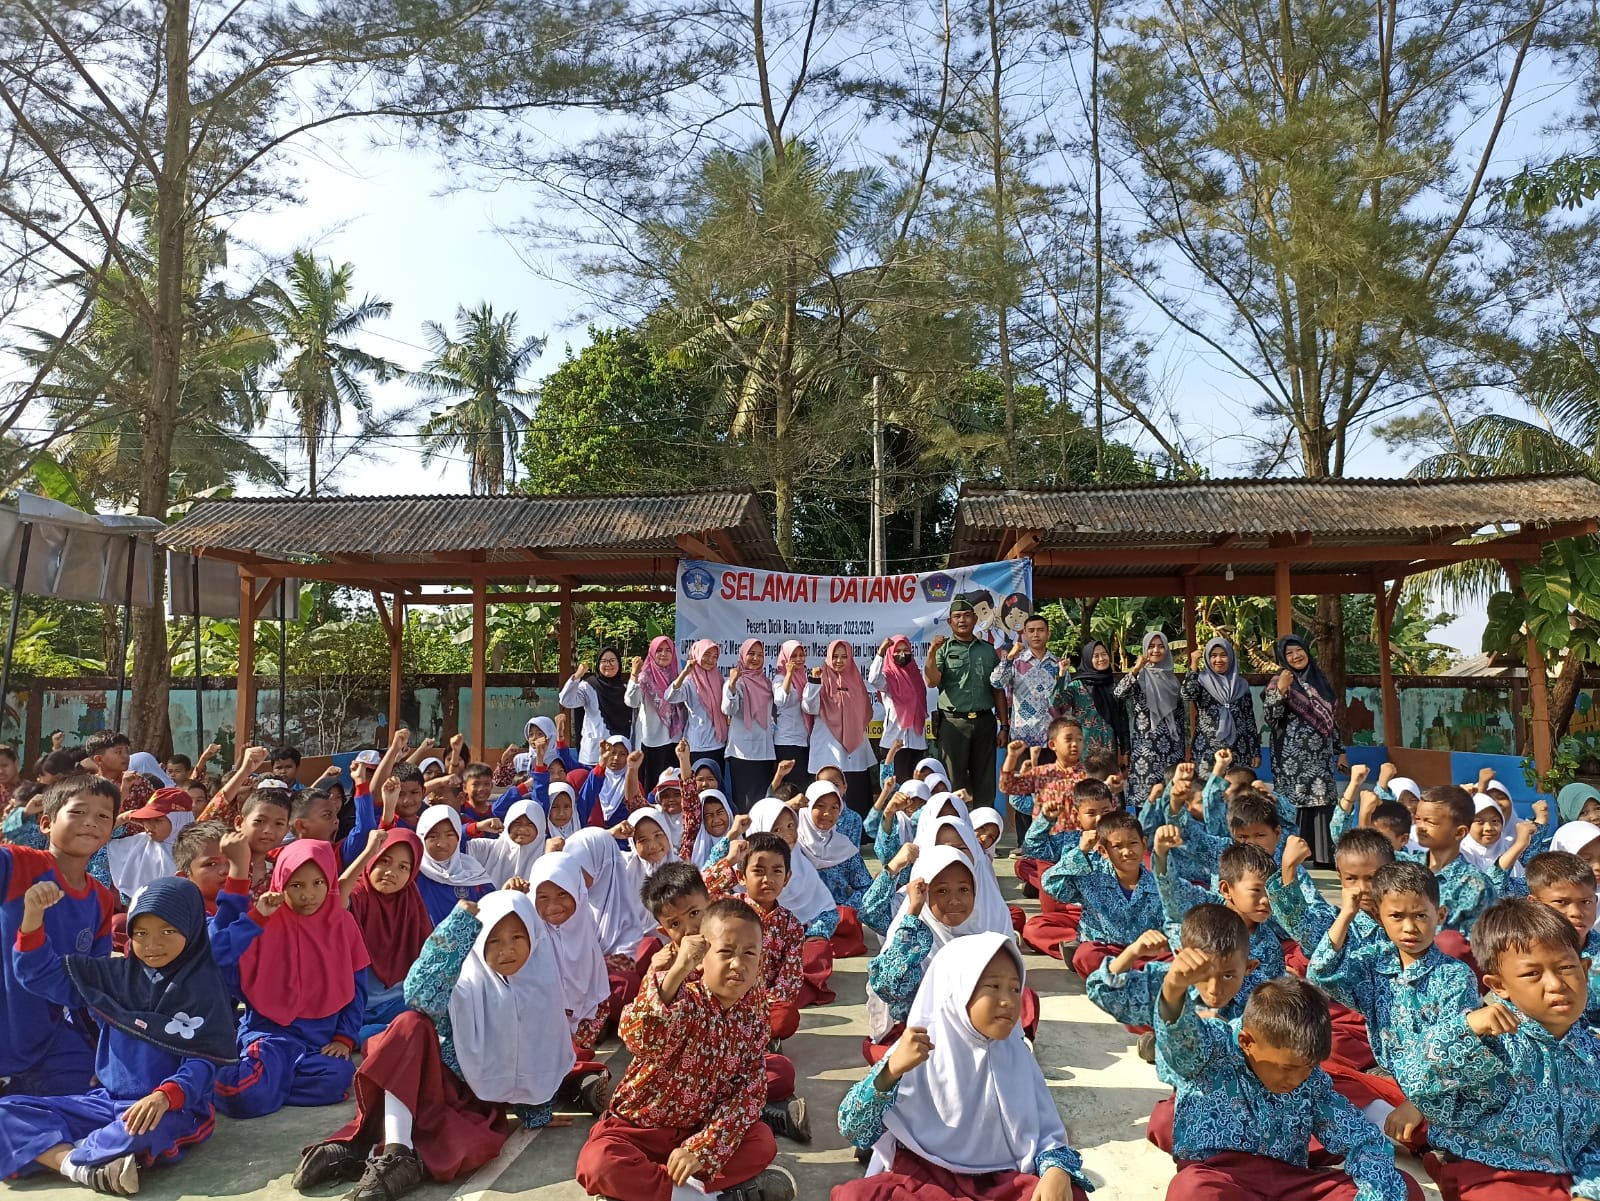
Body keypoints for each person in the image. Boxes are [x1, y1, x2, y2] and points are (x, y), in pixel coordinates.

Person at [293, 890, 574, 1201]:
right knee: (409, 1024)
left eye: (517, 937)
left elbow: (540, 1051)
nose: (507, 950)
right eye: (493, 940)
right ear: (478, 941)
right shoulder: (463, 984)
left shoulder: (542, 985)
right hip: (427, 1085)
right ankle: (395, 1151)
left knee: (477, 1144)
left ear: (533, 936)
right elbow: (419, 994)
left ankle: (376, 1153)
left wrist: (537, 1109)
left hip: (468, 1101)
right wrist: (458, 925)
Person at [1, 877, 236, 1194]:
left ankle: (59, 1153)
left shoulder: (204, 987)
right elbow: (39, 974)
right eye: (141, 933)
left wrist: (164, 1096)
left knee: (137, 1133)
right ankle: (81, 1166)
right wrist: (32, 916)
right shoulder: (115, 976)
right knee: (6, 1112)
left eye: (168, 931)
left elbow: (204, 1063)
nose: (152, 944)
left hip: (172, 1109)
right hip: (106, 1102)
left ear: (192, 930)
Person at [837, 933, 1093, 1201]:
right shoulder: (916, 1050)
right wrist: (890, 1071)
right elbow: (853, 1129)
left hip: (999, 1181)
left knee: (1070, 1195)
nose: (1007, 1000)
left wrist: (1056, 1171)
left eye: (1015, 989)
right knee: (858, 1195)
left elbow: (1047, 1136)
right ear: (957, 990)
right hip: (923, 1178)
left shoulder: (1017, 1056)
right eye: (993, 987)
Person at [573, 898, 798, 1201]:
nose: (738, 964)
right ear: (702, 957)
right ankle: (709, 1196)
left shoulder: (753, 1017)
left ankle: (656, 1192)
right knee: (599, 1162)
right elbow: (636, 1035)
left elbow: (748, 1092)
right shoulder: (682, 1000)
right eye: (726, 952)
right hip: (639, 1132)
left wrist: (703, 1148)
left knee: (761, 1140)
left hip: (696, 1132)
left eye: (749, 954)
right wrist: (678, 970)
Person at [1158, 975, 1424, 1201]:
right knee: (1193, 1189)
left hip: (1288, 1182)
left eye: (1307, 1068)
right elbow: (1178, 1037)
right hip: (1223, 1177)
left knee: (1402, 1187)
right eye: (1286, 1069)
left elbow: (1360, 1137)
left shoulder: (1311, 1080)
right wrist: (1172, 990)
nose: (1296, 1079)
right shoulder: (1213, 1050)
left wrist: (1373, 1193)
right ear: (1247, 1042)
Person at [1410, 898, 1600, 1201]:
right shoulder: (1491, 1040)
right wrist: (1465, 1030)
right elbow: (1419, 1081)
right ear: (1499, 986)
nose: (1555, 984)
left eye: (1566, 967)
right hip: (1496, 1168)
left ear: (1585, 968)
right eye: (1532, 974)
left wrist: (1590, 1191)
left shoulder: (1592, 1053)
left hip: (1571, 1171)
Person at [1307, 860, 1478, 1144]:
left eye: (1421, 915)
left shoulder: (1455, 976)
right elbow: (1320, 975)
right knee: (1323, 1076)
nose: (1409, 927)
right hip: (1390, 1079)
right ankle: (1389, 1126)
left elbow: (1458, 1051)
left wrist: (1418, 1104)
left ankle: (1402, 1130)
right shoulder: (1374, 962)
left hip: (1439, 1089)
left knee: (1450, 1122)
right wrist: (1346, 915)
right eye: (1396, 916)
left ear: (1441, 915)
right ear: (1379, 917)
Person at [210, 841, 370, 1119]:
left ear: (330, 881)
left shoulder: (343, 924)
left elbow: (358, 987)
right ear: (281, 882)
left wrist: (344, 1038)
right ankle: (221, 1078)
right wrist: (256, 918)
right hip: (270, 1037)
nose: (308, 894)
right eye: (296, 885)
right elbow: (218, 956)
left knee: (338, 1078)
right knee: (244, 1098)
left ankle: (270, 1084)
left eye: (318, 882)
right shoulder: (265, 921)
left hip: (318, 1045)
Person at [0, 777, 118, 1098]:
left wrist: (106, 1051)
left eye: (103, 816)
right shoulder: (16, 863)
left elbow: (91, 983)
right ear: (46, 824)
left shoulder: (101, 899)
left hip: (44, 1039)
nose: (91, 822)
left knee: (108, 1091)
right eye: (78, 812)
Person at [526, 852, 614, 1114]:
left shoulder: (583, 929)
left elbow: (597, 995)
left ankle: (576, 1080)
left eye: (563, 894)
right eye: (543, 897)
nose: (553, 905)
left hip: (583, 1023)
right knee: (541, 1048)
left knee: (565, 1049)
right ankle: (582, 1081)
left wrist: (571, 1021)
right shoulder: (528, 935)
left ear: (577, 892)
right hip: (538, 1023)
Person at [1041, 810, 1167, 979]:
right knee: (1085, 955)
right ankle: (1130, 975)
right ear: (1103, 851)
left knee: (1177, 957)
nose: (1127, 851)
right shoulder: (1092, 877)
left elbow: (1171, 922)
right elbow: (1050, 884)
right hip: (1105, 950)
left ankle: (1124, 975)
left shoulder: (1159, 885)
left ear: (1144, 844)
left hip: (1143, 953)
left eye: (1133, 843)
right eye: (1117, 846)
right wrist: (1081, 851)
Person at [1264, 634, 1348, 867]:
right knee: (1295, 803)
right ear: (1283, 658)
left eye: (1298, 650)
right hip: (1291, 756)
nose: (1295, 656)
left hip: (1320, 756)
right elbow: (1271, 718)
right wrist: (1281, 690)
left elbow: (1332, 721)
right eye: (1289, 653)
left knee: (1322, 801)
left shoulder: (1321, 682)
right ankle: (1295, 856)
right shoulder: (1278, 681)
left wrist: (1340, 751)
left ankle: (1324, 857)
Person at [347, 828, 434, 1044]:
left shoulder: (411, 901)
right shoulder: (358, 893)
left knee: (426, 1020)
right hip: (353, 1004)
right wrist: (367, 852)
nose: (390, 872)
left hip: (397, 1002)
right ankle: (382, 1033)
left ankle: (383, 1032)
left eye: (403, 867)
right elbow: (334, 900)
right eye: (384, 861)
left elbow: (428, 954)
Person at [565, 827, 655, 1019]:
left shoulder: (628, 897)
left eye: (580, 868)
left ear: (600, 865)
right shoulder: (568, 902)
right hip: (576, 985)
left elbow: (631, 952)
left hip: (608, 984)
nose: (573, 875)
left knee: (626, 984)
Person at [925, 598, 1007, 811]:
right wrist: (932, 652)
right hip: (953, 724)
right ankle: (954, 832)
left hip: (984, 722)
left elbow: (997, 689)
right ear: (950, 622)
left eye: (967, 616)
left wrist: (1004, 726)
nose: (962, 620)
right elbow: (931, 681)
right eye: (957, 617)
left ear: (976, 619)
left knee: (985, 780)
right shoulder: (943, 649)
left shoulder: (988, 651)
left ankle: (984, 835)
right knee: (953, 780)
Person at [1401, 785, 1494, 964]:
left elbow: (1480, 949)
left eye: (1430, 822)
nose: (1420, 827)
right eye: (1418, 819)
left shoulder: (1475, 885)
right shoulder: (1405, 867)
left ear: (1460, 832)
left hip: (1446, 973)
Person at [802, 640, 876, 819]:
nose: (839, 661)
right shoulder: (820, 678)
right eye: (835, 656)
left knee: (855, 795)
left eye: (844, 657)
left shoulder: (857, 681)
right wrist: (814, 683)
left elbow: (865, 711)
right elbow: (809, 708)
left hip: (855, 749)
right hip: (828, 747)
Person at [1117, 632, 1187, 810]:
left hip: (1172, 750)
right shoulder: (1139, 678)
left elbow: (1181, 719)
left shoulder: (1172, 679)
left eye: (1161, 646)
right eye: (1151, 646)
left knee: (1171, 803)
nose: (1156, 650)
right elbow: (1119, 694)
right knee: (1146, 805)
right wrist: (1136, 668)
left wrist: (1185, 749)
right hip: (1146, 752)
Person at [988, 612, 1062, 778]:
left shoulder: (1058, 664)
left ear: (1048, 633)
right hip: (1022, 738)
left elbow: (1065, 702)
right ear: (1025, 635)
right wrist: (1009, 657)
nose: (1036, 634)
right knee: (1022, 791)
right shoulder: (1016, 662)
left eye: (1041, 630)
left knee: (1050, 791)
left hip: (1051, 738)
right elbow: (996, 682)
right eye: (1031, 630)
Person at [1183, 637, 1261, 773]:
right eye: (1213, 656)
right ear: (1207, 658)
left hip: (1239, 750)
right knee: (1208, 791)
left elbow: (1249, 719)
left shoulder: (1241, 684)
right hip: (1207, 751)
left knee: (1236, 791)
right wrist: (1194, 665)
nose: (1218, 660)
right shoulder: (1201, 681)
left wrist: (1255, 751)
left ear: (1231, 657)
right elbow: (1187, 694)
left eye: (1223, 655)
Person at [412, 807, 495, 925]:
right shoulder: (413, 875)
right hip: (424, 943)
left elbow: (491, 910)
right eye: (433, 836)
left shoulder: (473, 873)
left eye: (449, 835)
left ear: (458, 837)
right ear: (421, 838)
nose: (441, 843)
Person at [723, 639, 778, 812]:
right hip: (742, 752)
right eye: (751, 654)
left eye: (760, 655)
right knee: (744, 801)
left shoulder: (767, 683)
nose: (755, 658)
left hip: (764, 750)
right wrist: (732, 685)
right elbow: (728, 708)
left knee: (763, 800)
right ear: (742, 656)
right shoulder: (736, 682)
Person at [866, 636, 928, 785]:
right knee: (895, 791)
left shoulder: (916, 678)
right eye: (897, 651)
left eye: (905, 650)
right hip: (893, 744)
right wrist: (881, 652)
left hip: (917, 743)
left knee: (915, 790)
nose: (901, 654)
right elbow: (873, 679)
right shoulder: (888, 678)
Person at [665, 639, 730, 775]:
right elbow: (670, 696)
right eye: (707, 654)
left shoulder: (718, 678)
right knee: (696, 787)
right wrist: (684, 673)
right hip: (697, 745)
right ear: (697, 654)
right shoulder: (689, 681)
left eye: (714, 657)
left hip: (718, 743)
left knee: (715, 786)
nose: (710, 660)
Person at [466, 798, 547, 888]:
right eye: (517, 823)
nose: (522, 829)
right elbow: (453, 846)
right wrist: (477, 827)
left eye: (530, 823)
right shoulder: (488, 848)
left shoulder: (547, 854)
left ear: (540, 826)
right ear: (508, 823)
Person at [1073, 640, 1129, 764]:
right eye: (1096, 656)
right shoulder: (1077, 685)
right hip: (1085, 749)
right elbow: (1056, 704)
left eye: (1104, 654)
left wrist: (1125, 751)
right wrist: (1061, 676)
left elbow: (1122, 718)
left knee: (1109, 782)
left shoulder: (1114, 685)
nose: (1101, 658)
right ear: (1088, 659)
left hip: (1110, 747)